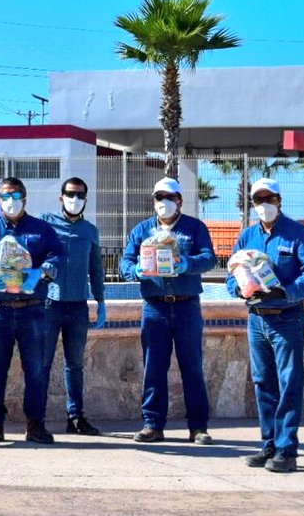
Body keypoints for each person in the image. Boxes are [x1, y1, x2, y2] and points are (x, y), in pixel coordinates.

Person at [226, 178, 304, 474]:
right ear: (252, 204)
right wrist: (241, 288)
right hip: (256, 319)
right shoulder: (246, 237)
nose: (264, 205)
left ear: (280, 201)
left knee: (289, 383)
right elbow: (231, 274)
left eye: (269, 199)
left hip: (287, 318)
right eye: (258, 200)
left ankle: (287, 449)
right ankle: (268, 444)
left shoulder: (297, 234)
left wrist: (288, 291)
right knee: (263, 383)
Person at [0, 177, 64, 444]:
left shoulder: (42, 230)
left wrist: (45, 271)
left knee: (36, 370)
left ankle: (35, 425)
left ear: (25, 198)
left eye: (16, 195)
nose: (11, 200)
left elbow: (57, 256)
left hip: (33, 312)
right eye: (5, 196)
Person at [120, 177, 216, 445]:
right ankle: (152, 424)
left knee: (192, 367)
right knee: (154, 367)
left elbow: (209, 258)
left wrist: (186, 263)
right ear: (153, 201)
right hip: (155, 307)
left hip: (187, 306)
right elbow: (125, 262)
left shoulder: (194, 228)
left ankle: (198, 427)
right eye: (159, 197)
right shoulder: (141, 231)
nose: (164, 202)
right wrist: (136, 271)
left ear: (180, 200)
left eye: (170, 197)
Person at [40, 176, 106, 436]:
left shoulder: (90, 231)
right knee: (41, 363)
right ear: (61, 197)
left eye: (80, 195)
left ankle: (76, 417)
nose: (74, 199)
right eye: (70, 194)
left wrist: (101, 301)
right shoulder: (46, 223)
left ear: (85, 200)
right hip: (49, 304)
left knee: (75, 364)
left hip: (77, 305)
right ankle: (37, 417)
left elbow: (96, 269)